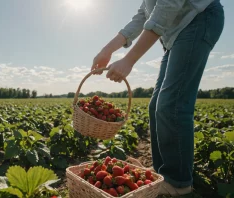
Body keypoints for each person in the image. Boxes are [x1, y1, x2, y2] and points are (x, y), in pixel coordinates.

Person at [90, 0, 224, 196]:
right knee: (156, 106)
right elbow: (144, 14)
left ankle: (179, 183)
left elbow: (168, 5)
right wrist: (107, 50)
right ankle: (164, 173)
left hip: (198, 19)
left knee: (172, 105)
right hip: (176, 33)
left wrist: (129, 60)